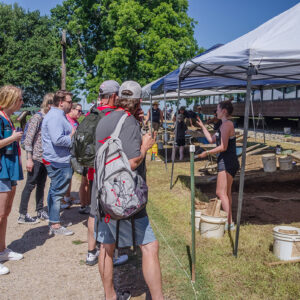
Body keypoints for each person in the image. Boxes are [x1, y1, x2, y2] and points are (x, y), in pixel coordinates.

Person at [93, 81, 163, 300]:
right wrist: (145, 144)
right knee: (150, 246)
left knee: (106, 246)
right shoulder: (130, 123)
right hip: (126, 195)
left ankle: (109, 295)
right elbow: (132, 162)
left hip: (103, 193)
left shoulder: (105, 120)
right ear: (139, 101)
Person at [86, 80, 120, 266]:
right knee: (111, 211)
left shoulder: (92, 113)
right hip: (110, 171)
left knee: (93, 212)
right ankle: (110, 254)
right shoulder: (114, 116)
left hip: (93, 169)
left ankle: (91, 252)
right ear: (114, 95)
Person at [196, 100, 239, 230]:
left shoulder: (227, 125)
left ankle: (229, 223)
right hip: (228, 161)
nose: (216, 112)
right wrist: (203, 126)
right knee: (226, 193)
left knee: (220, 192)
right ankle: (230, 221)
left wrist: (207, 152)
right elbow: (211, 139)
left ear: (224, 111)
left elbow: (223, 147)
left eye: (218, 109)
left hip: (227, 161)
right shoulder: (223, 125)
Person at [41, 90, 75, 236]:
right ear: (61, 102)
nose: (71, 104)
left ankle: (52, 219)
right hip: (58, 160)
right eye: (69, 101)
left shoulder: (57, 115)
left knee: (54, 189)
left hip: (57, 159)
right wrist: (72, 136)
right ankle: (55, 224)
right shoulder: (55, 117)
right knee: (57, 192)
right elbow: (58, 139)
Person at [18, 93, 54, 224]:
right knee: (30, 184)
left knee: (41, 185)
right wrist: (29, 158)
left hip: (44, 157)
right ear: (49, 104)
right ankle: (22, 213)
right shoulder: (37, 118)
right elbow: (28, 139)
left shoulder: (48, 118)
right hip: (35, 157)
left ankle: (40, 210)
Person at [0, 85, 24, 275]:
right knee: (0, 213)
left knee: (6, 213)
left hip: (10, 168)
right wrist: (13, 137)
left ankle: (2, 249)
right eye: (19, 99)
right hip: (2, 169)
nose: (22, 102)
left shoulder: (7, 118)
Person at [62, 103, 83, 209]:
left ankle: (67, 197)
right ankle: (62, 199)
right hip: (67, 153)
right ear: (72, 110)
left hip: (73, 152)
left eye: (81, 111)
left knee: (69, 175)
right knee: (65, 176)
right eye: (79, 111)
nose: (80, 113)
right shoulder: (65, 120)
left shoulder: (75, 121)